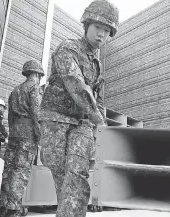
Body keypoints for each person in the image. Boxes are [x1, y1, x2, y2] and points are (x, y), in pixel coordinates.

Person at [38, 0, 119, 216]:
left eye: (107, 31)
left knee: (77, 174)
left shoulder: (97, 65)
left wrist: (101, 123)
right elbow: (76, 85)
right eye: (98, 28)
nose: (102, 35)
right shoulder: (68, 48)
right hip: (55, 118)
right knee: (59, 171)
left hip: (82, 123)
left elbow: (98, 98)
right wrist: (99, 119)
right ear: (86, 25)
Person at [0, 60, 44, 217]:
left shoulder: (15, 90)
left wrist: (12, 132)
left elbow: (10, 116)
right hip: (28, 135)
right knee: (21, 170)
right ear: (38, 74)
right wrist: (40, 135)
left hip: (14, 134)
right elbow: (36, 113)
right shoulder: (34, 88)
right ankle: (13, 208)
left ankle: (2, 205)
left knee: (9, 169)